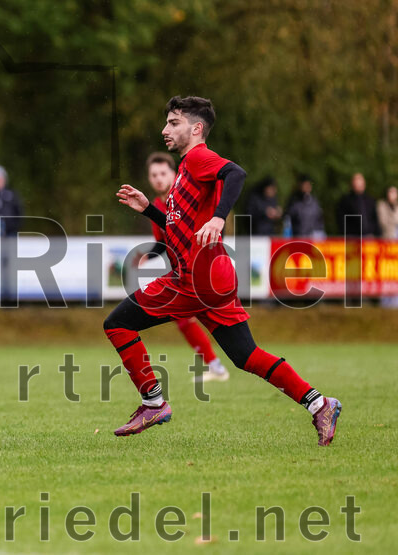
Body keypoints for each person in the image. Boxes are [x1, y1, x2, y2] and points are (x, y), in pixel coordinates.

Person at [107, 95, 341, 445]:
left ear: (196, 128)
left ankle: (153, 403)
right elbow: (178, 228)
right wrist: (148, 210)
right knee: (247, 356)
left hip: (195, 279)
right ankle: (320, 404)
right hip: (213, 278)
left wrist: (219, 218)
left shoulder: (198, 158)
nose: (165, 129)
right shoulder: (185, 170)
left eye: (173, 123)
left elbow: (236, 173)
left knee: (117, 324)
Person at [140, 152, 228, 382]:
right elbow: (163, 240)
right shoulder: (157, 205)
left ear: (174, 174)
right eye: (154, 175)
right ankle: (217, 366)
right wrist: (148, 256)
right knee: (190, 319)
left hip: (203, 269)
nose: (158, 179)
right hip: (184, 273)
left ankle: (220, 365)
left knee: (211, 321)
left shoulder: (186, 196)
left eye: (163, 173)